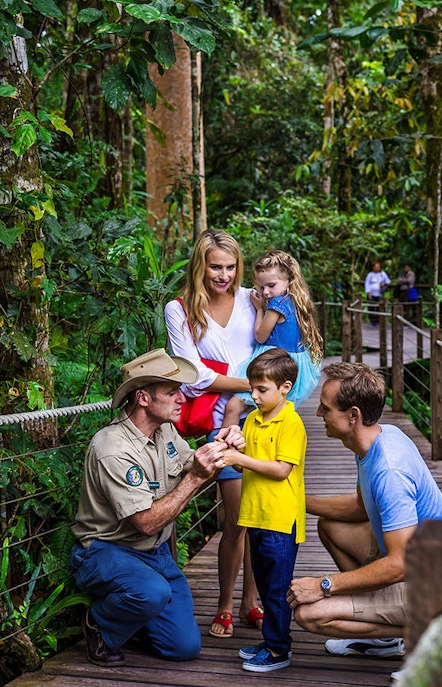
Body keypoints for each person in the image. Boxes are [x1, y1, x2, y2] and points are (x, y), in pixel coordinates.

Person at [71, 349, 243, 666]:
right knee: (151, 593)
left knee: (184, 648)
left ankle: (134, 616)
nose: (182, 400)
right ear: (143, 398)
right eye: (172, 392)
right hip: (107, 551)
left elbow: (197, 465)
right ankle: (100, 624)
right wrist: (194, 477)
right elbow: (147, 523)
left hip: (157, 554)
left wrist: (224, 448)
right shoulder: (113, 448)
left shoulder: (164, 429)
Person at [287, 362, 442, 659]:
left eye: (325, 409)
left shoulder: (389, 469)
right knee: (330, 526)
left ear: (353, 416)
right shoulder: (376, 438)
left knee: (309, 613)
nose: (317, 415)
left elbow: (399, 564)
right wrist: (296, 501)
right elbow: (360, 507)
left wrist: (324, 586)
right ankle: (383, 629)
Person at [164, 230, 263, 638]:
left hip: (265, 419)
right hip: (220, 426)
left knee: (263, 518)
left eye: (230, 266)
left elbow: (275, 350)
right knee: (237, 519)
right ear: (200, 266)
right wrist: (253, 384)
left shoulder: (252, 300)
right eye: (215, 266)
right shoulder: (180, 309)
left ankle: (250, 603)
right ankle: (224, 601)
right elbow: (192, 376)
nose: (223, 275)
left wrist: (252, 391)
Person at [215, 349, 308, 672]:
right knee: (266, 583)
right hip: (255, 514)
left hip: (281, 519)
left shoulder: (291, 423)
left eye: (261, 390)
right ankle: (271, 640)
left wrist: (240, 459)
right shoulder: (253, 419)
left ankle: (279, 650)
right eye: (252, 389)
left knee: (277, 587)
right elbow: (250, 468)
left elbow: (281, 469)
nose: (253, 396)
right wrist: (237, 449)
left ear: (285, 387)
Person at [222, 250, 323, 429]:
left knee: (233, 407)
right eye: (261, 287)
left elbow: (261, 336)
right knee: (271, 413)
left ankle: (223, 451)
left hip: (273, 364)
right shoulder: (296, 301)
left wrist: (260, 308)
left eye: (271, 285)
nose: (266, 292)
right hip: (292, 364)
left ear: (288, 280)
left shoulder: (276, 305)